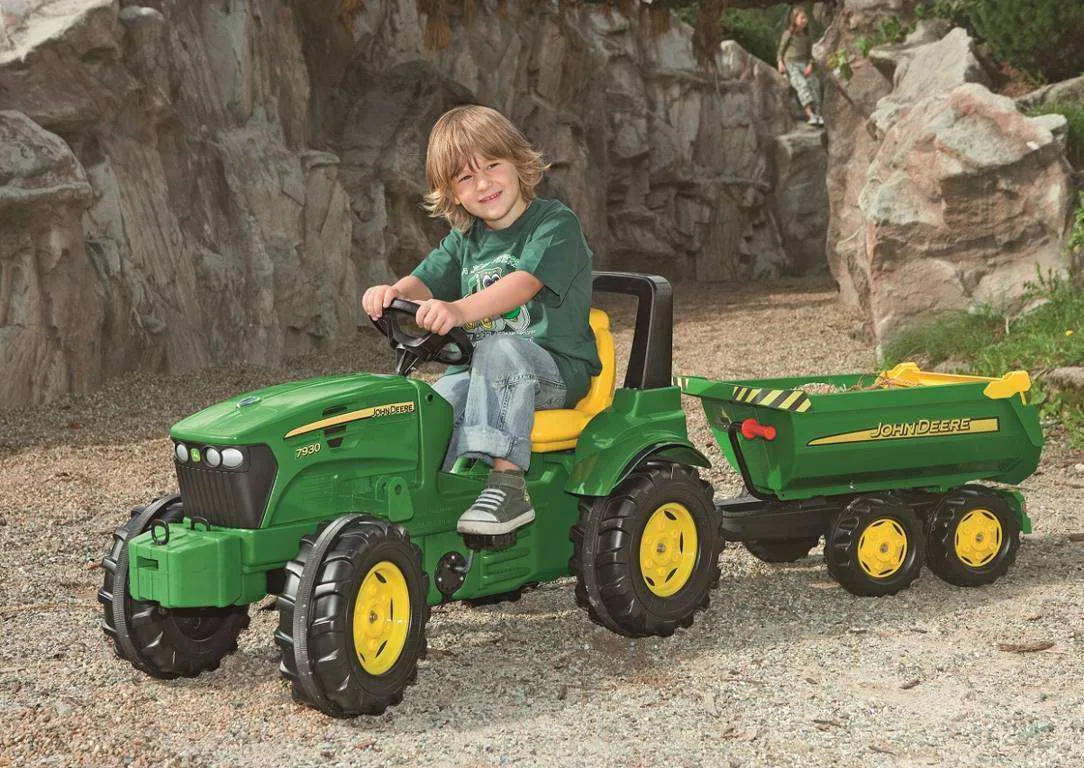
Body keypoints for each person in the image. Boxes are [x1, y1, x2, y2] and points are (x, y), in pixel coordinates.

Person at [362, 105, 601, 537]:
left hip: (554, 373)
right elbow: (425, 279)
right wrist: (393, 294)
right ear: (451, 193)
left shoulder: (553, 224)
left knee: (500, 349)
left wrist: (457, 310)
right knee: (437, 399)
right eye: (466, 178)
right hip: (484, 375)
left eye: (492, 166)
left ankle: (508, 485)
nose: (484, 183)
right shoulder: (465, 238)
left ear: (518, 161)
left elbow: (522, 285)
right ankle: (438, 496)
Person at [777, 6, 823, 126]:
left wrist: (810, 65)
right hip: (791, 64)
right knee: (801, 84)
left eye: (805, 18)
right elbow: (780, 51)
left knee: (814, 83)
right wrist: (780, 63)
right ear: (795, 19)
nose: (804, 20)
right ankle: (810, 115)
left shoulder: (807, 37)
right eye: (801, 18)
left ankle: (818, 114)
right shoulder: (788, 34)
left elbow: (810, 55)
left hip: (804, 64)